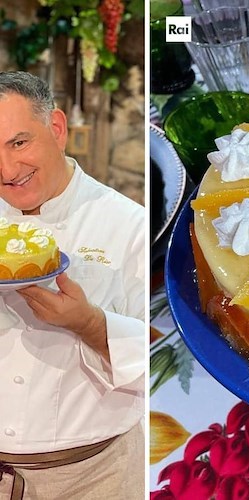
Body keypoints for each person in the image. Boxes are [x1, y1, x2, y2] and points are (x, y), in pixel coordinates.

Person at [0, 71, 145, 499]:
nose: (7, 170)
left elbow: (161, 359)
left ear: (57, 129)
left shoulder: (129, 224)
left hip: (94, 478)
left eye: (18, 143)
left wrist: (91, 325)